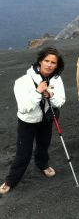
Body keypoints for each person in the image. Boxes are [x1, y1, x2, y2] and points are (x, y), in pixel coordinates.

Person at [0, 47, 65, 195]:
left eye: (53, 62)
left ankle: (42, 164)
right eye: (46, 61)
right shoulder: (22, 82)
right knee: (23, 152)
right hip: (28, 122)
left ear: (57, 65)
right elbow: (24, 108)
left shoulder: (56, 79)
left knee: (44, 144)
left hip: (46, 119)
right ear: (40, 61)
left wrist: (51, 94)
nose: (49, 65)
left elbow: (60, 101)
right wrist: (38, 92)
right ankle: (11, 180)